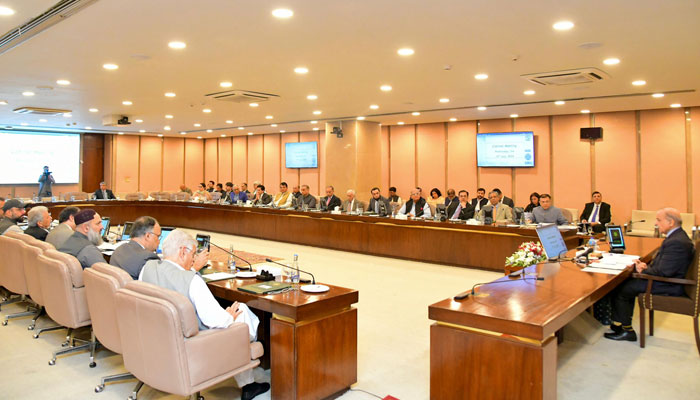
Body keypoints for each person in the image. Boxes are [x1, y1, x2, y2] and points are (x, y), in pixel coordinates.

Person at [138, 229, 270, 399]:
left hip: (159, 338)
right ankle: (248, 379)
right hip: (193, 345)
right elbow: (218, 321)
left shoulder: (146, 269)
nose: (194, 259)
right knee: (241, 312)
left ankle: (245, 371)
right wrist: (229, 314)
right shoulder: (191, 280)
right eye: (193, 254)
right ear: (182, 251)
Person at [604, 208, 695, 342]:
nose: (656, 224)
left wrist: (643, 270)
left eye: (659, 220)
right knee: (625, 284)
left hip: (670, 285)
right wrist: (646, 266)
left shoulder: (676, 242)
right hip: (668, 279)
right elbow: (665, 266)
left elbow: (665, 272)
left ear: (671, 222)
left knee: (623, 288)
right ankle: (622, 324)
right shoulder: (678, 236)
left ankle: (627, 331)